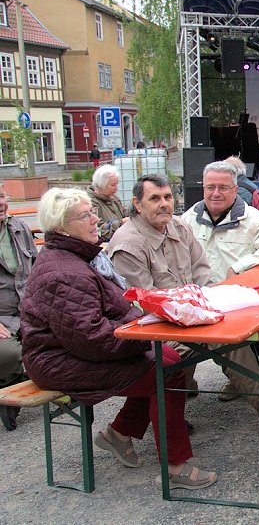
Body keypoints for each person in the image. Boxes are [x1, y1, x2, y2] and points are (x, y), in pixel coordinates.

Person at [19, 188, 217, 490]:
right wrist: (148, 335)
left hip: (72, 352)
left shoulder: (75, 257)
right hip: (56, 361)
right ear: (60, 226)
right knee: (166, 371)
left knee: (169, 360)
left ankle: (119, 433)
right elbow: (91, 339)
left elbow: (114, 310)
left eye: (92, 212)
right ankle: (174, 466)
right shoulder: (64, 272)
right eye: (85, 215)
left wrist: (148, 326)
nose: (95, 219)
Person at [181, 162, 259, 429]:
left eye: (223, 187)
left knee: (227, 343)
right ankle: (182, 388)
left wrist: (240, 267)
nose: (216, 193)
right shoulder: (187, 219)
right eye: (210, 187)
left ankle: (252, 393)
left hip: (235, 303)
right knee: (198, 349)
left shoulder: (252, 218)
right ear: (203, 188)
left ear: (235, 190)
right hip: (194, 303)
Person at [107, 174, 210, 401]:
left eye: (168, 197)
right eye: (155, 198)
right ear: (137, 204)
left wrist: (207, 308)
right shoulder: (128, 245)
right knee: (205, 340)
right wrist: (195, 315)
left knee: (235, 333)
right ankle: (169, 404)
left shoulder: (179, 226)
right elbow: (144, 304)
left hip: (191, 316)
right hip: (155, 328)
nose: (164, 204)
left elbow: (201, 269)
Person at [0, 181, 37, 431]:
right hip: (2, 319)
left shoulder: (18, 226)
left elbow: (36, 269)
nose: (1, 203)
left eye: (1, 196)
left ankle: (13, 385)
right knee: (10, 354)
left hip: (27, 312)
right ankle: (10, 390)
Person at [87, 164, 130, 242]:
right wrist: (120, 223)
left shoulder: (113, 197)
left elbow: (124, 213)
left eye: (117, 184)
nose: (116, 188)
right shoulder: (89, 202)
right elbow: (99, 229)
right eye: (113, 185)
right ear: (101, 185)